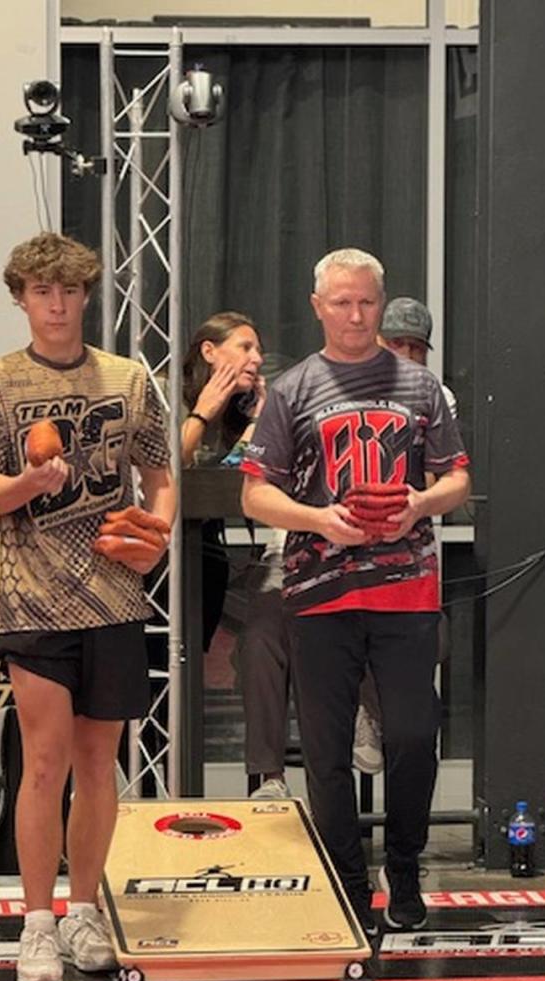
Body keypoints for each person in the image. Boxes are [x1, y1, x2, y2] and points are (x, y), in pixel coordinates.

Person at [0, 232, 176, 981]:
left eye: (69, 291)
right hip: (33, 597)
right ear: (20, 298)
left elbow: (160, 469)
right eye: (41, 291)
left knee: (98, 765)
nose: (55, 304)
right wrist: (30, 483)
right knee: (42, 761)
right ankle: (36, 924)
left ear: (86, 297)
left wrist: (158, 533)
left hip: (114, 595)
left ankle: (84, 912)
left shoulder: (127, 377)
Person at [241, 248, 470, 939]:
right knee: (325, 747)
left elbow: (458, 480)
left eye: (366, 301)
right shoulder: (292, 391)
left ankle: (404, 865)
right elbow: (255, 494)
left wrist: (417, 506)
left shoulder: (420, 387)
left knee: (411, 734)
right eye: (341, 302)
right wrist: (318, 519)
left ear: (381, 301)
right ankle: (348, 880)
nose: (355, 314)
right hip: (321, 591)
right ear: (318, 308)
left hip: (407, 587)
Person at [181, 313, 292, 799]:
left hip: (205, 554)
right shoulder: (179, 398)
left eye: (258, 349)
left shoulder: (243, 411)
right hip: (160, 562)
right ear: (210, 352)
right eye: (245, 347)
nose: (257, 358)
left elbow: (238, 477)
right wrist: (204, 410)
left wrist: (258, 424)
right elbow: (169, 468)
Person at [353, 295, 459, 774]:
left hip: (409, 554)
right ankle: (366, 712)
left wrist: (415, 501)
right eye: (397, 343)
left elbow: (441, 480)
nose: (407, 355)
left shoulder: (436, 396)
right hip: (346, 552)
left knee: (431, 644)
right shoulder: (342, 385)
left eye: (417, 348)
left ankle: (377, 717)